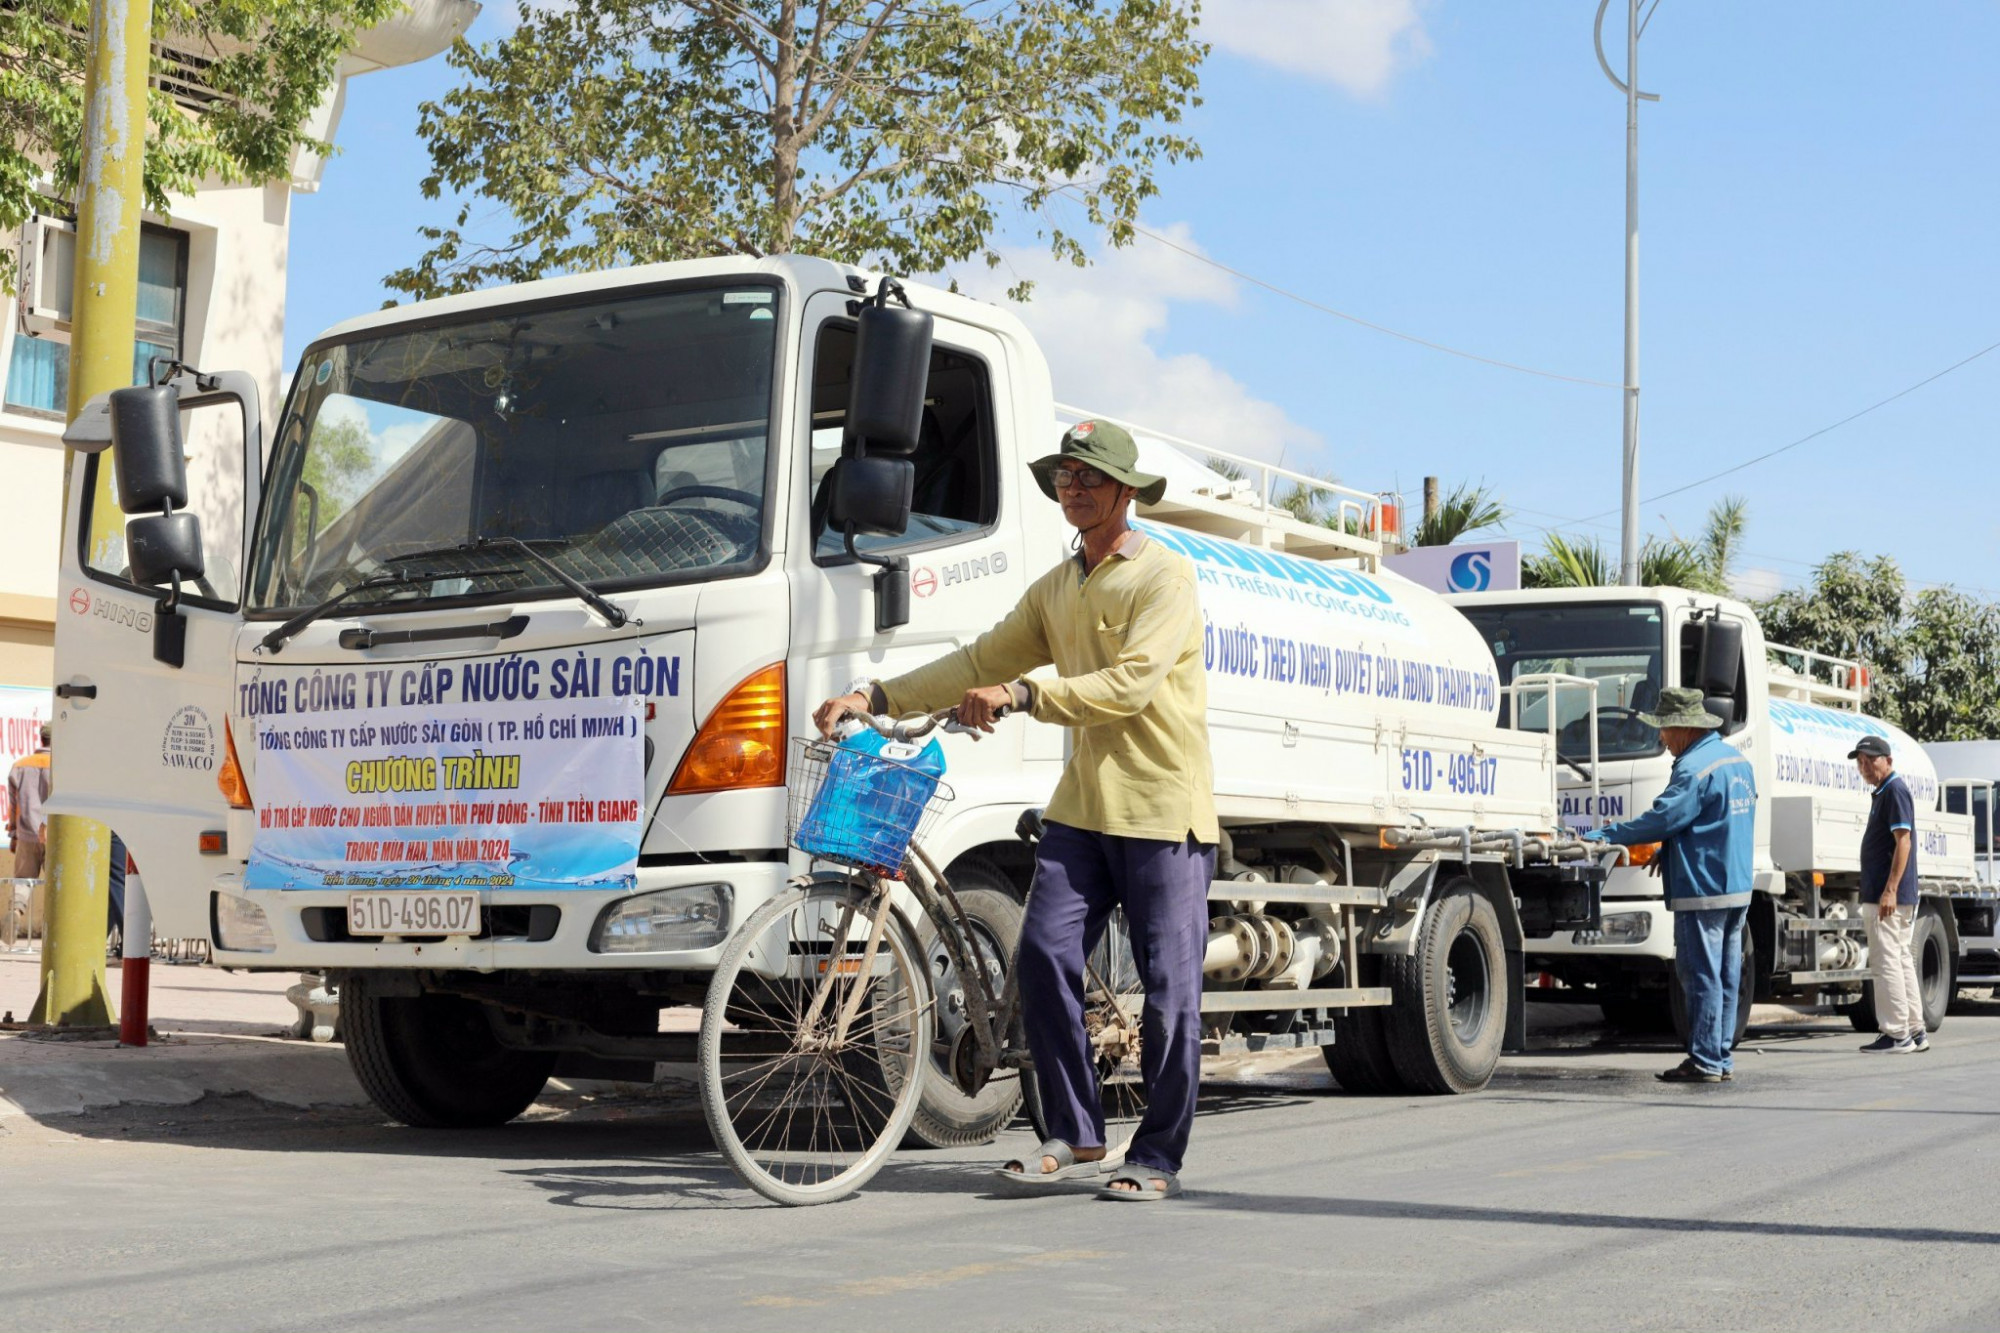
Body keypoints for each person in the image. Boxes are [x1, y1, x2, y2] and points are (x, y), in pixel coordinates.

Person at [813, 420, 1215, 1201]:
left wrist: (1027, 694)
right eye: (1065, 476)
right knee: (1041, 957)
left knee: (1170, 994)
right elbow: (979, 660)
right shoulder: (1059, 588)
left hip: (1164, 811)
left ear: (1126, 491)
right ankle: (1074, 1129)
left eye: (1090, 477)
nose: (1075, 488)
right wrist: (875, 694)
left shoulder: (1165, 578)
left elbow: (1129, 685)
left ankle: (1158, 1154)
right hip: (1083, 811)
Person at [1585, 688, 1756, 1083]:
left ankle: (1705, 1061)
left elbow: (1662, 818)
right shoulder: (1736, 762)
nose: (1662, 738)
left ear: (1683, 727)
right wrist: (1672, 847)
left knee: (1701, 975)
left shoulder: (1692, 767)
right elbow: (1715, 820)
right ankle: (1720, 1057)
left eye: (1664, 729)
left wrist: (1606, 836)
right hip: (1736, 885)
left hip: (1703, 888)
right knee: (1728, 974)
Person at [1851, 734, 1926, 1054]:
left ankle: (1897, 1035)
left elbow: (1903, 841)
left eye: (1871, 760)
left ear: (1889, 760)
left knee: (1887, 963)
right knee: (1900, 960)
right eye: (1860, 761)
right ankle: (1914, 1030)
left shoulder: (1894, 790)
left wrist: (1889, 891)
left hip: (1887, 896)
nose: (1865, 766)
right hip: (1891, 894)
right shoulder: (1885, 791)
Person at [7, 723, 51, 881]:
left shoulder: (19, 765)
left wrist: (13, 834)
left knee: (22, 883)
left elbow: (13, 805)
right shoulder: (61, 767)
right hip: (54, 835)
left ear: (41, 739)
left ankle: (18, 907)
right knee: (57, 885)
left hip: (26, 834)